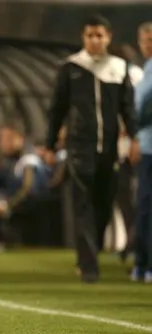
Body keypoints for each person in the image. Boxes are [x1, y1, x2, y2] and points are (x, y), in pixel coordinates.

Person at [44, 15, 137, 283]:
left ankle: (91, 252)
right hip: (79, 147)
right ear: (83, 38)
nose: (95, 40)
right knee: (82, 203)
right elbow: (57, 110)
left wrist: (133, 139)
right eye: (90, 35)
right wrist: (50, 145)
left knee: (104, 203)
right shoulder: (71, 68)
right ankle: (88, 266)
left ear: (108, 37)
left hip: (109, 149)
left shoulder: (119, 68)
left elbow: (127, 108)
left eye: (99, 35)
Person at [132, 22, 152, 283]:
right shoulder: (146, 69)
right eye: (146, 39)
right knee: (145, 205)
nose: (149, 43)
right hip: (147, 147)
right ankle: (143, 263)